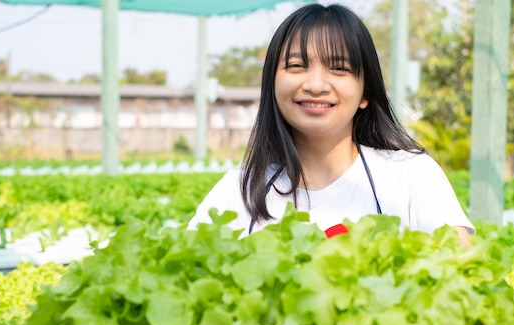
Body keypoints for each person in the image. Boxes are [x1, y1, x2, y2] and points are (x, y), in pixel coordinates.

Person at [188, 2, 473, 246]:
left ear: (366, 92)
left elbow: (463, 283)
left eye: (339, 68)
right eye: (297, 66)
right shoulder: (236, 193)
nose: (315, 85)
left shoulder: (411, 177)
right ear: (272, 84)